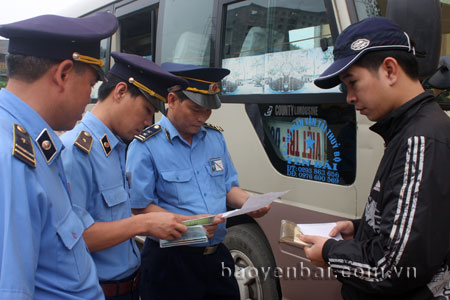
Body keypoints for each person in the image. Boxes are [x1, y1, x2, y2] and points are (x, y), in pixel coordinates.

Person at [301, 17, 450, 299]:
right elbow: (407, 226)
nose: (349, 98)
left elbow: (391, 268)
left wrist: (330, 252)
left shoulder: (421, 140)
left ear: (390, 70)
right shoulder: (408, 130)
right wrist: (359, 228)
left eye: (352, 83)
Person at [125, 62, 270, 300]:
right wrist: (188, 225)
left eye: (208, 110)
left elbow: (229, 188)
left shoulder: (215, 138)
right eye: (195, 109)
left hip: (216, 258)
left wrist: (249, 202)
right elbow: (140, 208)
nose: (202, 117)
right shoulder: (145, 146)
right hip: (171, 263)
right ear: (171, 100)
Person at [0, 13, 117, 299]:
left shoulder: (37, 143)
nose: (90, 99)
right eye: (91, 85)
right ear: (63, 74)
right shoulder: (12, 158)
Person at [60, 52, 189, 300]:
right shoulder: (76, 151)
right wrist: (144, 224)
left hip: (132, 286)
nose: (148, 122)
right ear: (120, 92)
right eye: (146, 110)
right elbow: (78, 236)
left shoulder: (116, 147)